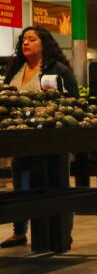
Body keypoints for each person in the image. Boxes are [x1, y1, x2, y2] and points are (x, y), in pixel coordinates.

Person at [2, 27, 79, 249]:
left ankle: (63, 231)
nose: (26, 43)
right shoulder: (16, 69)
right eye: (24, 39)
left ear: (43, 43)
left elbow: (73, 101)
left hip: (51, 138)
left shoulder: (59, 69)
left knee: (57, 183)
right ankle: (19, 231)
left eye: (32, 39)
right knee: (21, 183)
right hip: (20, 138)